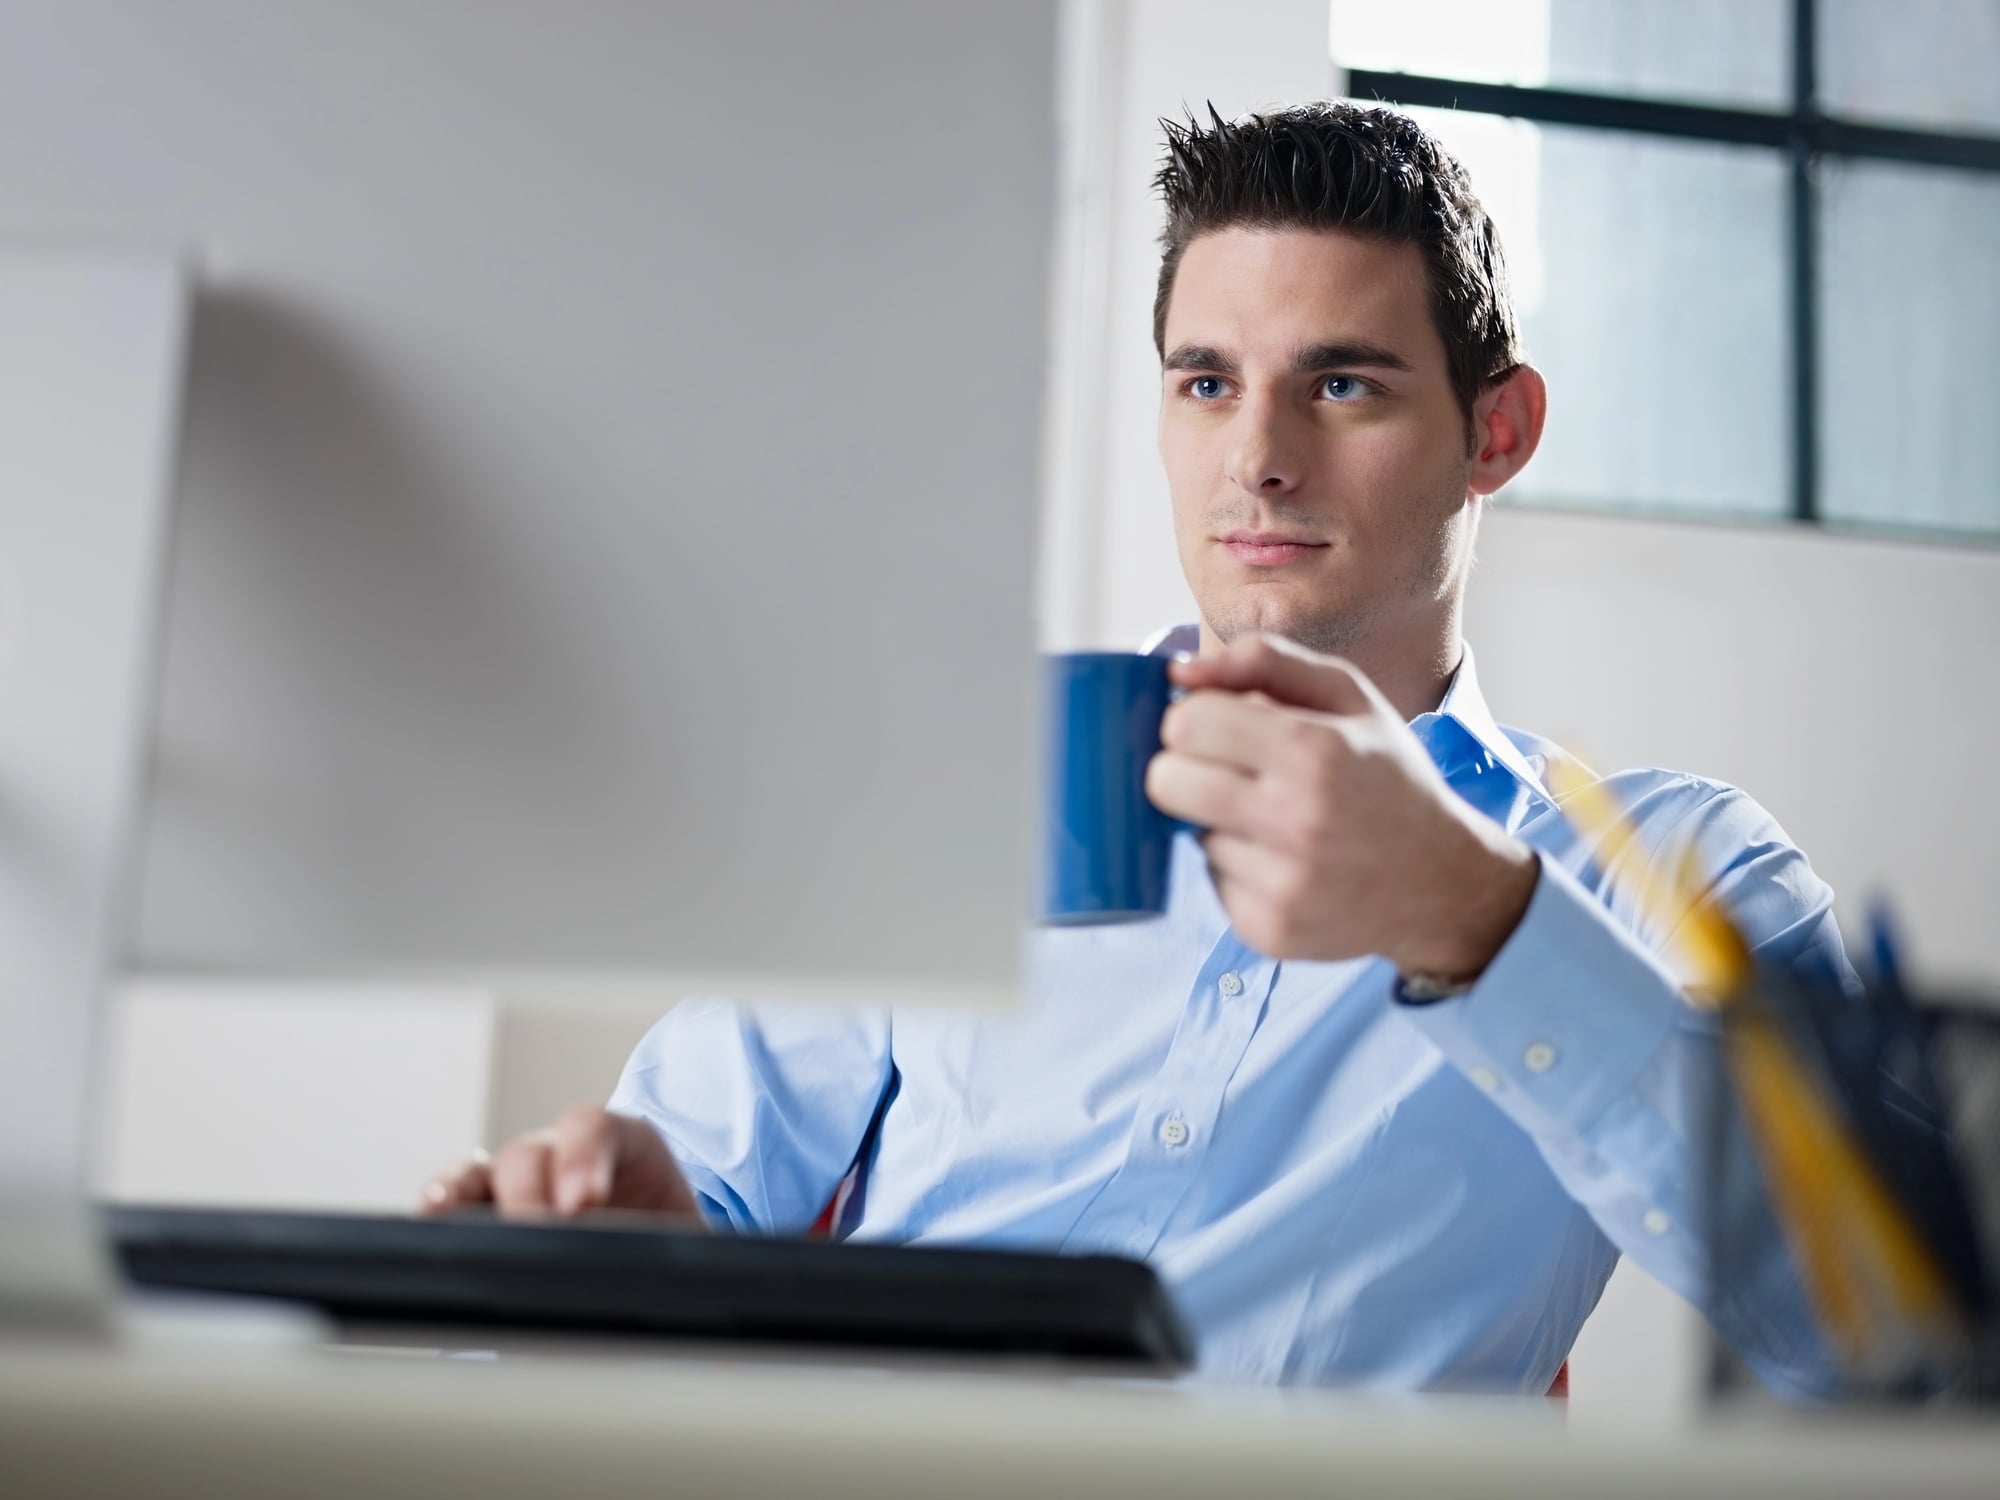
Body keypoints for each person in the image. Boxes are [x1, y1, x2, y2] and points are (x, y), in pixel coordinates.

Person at [426, 102, 1853, 1396]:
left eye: (1342, 385)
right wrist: (638, 1258)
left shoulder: (1675, 864)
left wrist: (1480, 921)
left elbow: (1877, 1325)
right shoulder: (967, 786)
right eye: (1206, 383)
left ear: (1499, 430)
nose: (1259, 458)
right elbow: (682, 1212)